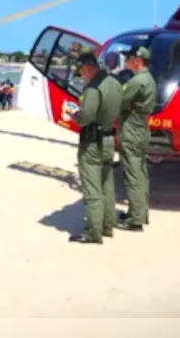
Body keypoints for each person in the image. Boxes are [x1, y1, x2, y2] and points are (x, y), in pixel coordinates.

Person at [63, 50, 122, 244]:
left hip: (92, 142)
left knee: (92, 187)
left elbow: (86, 116)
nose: (82, 76)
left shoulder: (92, 89)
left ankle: (93, 232)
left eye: (82, 72)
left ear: (88, 67)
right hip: (107, 139)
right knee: (107, 184)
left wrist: (74, 115)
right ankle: (107, 224)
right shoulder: (114, 83)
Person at [117, 46, 156, 231]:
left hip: (131, 130)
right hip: (141, 130)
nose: (126, 61)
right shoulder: (149, 79)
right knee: (140, 173)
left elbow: (120, 102)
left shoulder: (137, 81)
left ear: (137, 60)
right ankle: (140, 212)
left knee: (132, 175)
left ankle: (135, 219)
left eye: (129, 58)